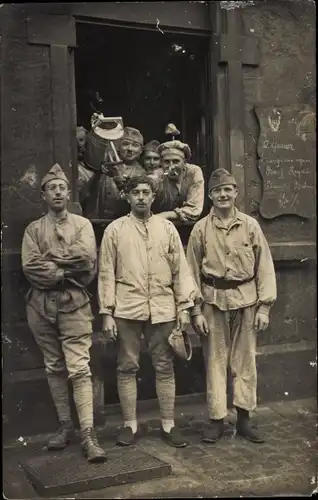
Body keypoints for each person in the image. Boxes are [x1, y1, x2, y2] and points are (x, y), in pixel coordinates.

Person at [98, 174, 197, 448]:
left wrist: (185, 306)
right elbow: (106, 272)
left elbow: (181, 270)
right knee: (127, 366)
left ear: (153, 197)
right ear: (127, 197)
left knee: (164, 366)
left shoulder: (166, 228)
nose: (141, 197)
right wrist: (106, 311)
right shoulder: (115, 230)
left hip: (163, 308)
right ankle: (129, 425)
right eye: (136, 192)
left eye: (146, 192)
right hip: (127, 307)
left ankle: (168, 424)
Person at [21, 164, 106, 463]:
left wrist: (53, 260)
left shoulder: (82, 226)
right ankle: (65, 426)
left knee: (79, 368)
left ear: (69, 194)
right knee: (54, 366)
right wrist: (63, 270)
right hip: (41, 307)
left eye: (61, 188)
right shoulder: (34, 230)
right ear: (43, 195)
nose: (57, 192)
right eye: (51, 188)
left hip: (75, 305)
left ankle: (88, 434)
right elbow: (31, 267)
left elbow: (87, 261)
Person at [186, 168, 277, 444]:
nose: (223, 195)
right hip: (213, 302)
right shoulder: (200, 228)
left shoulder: (250, 226)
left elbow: (265, 267)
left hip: (247, 301)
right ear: (211, 196)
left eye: (228, 189)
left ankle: (244, 419)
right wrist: (195, 310)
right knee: (214, 361)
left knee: (245, 361)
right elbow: (190, 272)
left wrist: (264, 307)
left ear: (236, 192)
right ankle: (216, 420)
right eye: (217, 191)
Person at [83, 125, 145, 219]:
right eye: (125, 144)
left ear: (141, 150)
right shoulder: (106, 169)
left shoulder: (142, 174)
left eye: (135, 145)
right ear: (118, 146)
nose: (130, 149)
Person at [152, 140, 204, 223]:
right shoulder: (156, 177)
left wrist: (167, 215)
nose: (171, 167)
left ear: (184, 162)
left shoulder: (193, 172)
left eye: (176, 161)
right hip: (162, 225)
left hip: (188, 227)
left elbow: (194, 209)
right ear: (161, 164)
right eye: (167, 162)